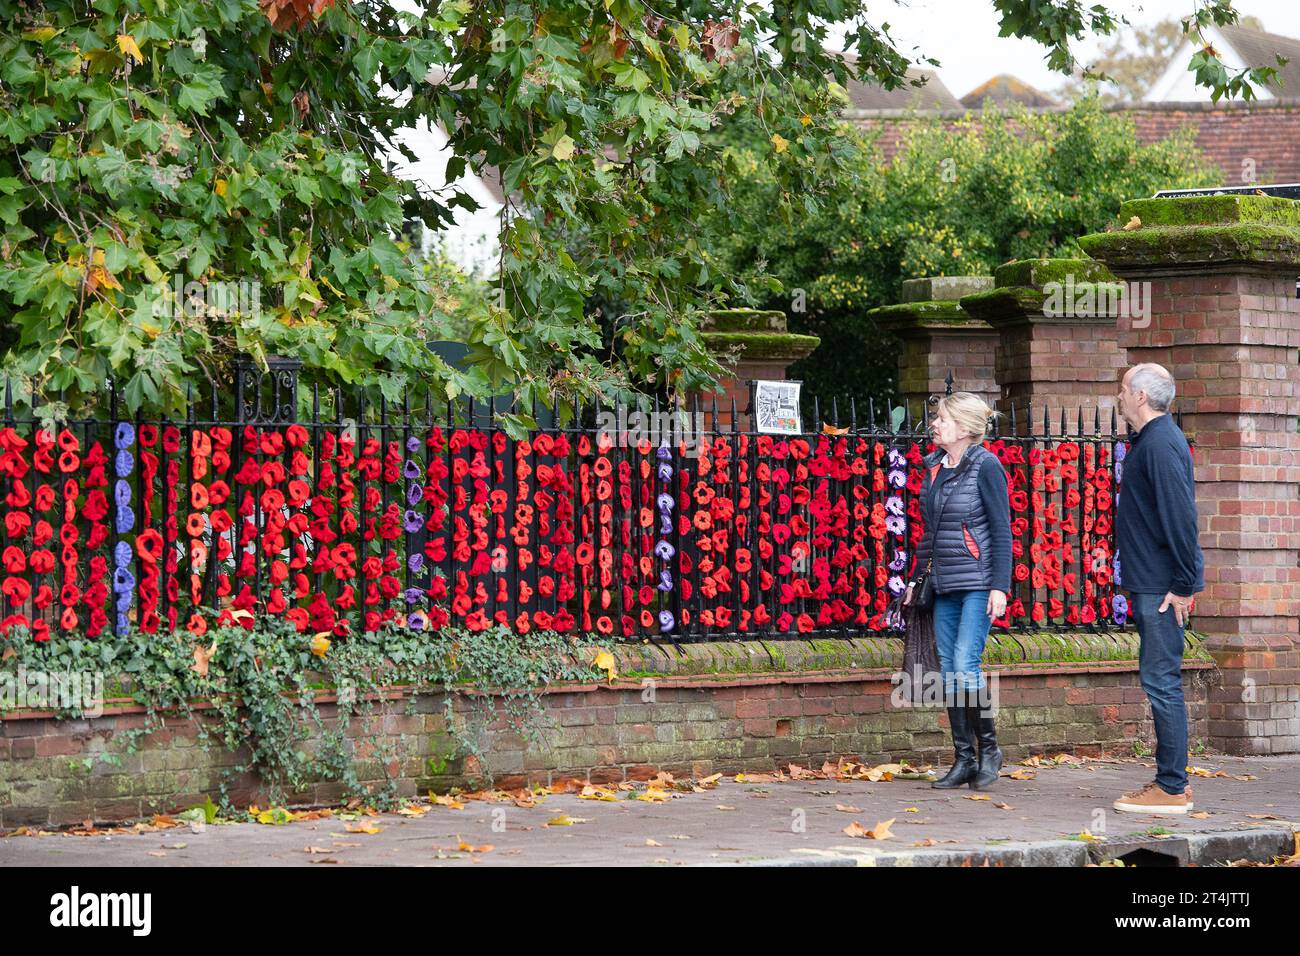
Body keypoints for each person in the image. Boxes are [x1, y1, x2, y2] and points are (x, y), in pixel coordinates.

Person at [905, 392, 1012, 790]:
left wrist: (999, 585)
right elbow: (930, 534)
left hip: (979, 582)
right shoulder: (935, 467)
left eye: (942, 419)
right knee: (949, 670)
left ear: (965, 429)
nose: (934, 424)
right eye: (936, 418)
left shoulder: (986, 466)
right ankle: (964, 758)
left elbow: (1001, 529)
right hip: (944, 582)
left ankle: (989, 751)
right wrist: (917, 580)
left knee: (965, 665)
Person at [1111, 363, 1204, 815]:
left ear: (1141, 396)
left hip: (1163, 588)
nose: (1120, 396)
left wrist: (1185, 584)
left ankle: (1171, 787)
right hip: (1155, 583)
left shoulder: (1162, 444)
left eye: (1125, 389)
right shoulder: (1152, 441)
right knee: (1159, 680)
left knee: (1162, 682)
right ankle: (1170, 782)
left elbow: (1182, 518)